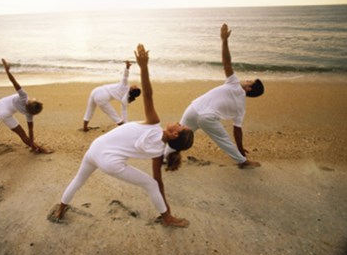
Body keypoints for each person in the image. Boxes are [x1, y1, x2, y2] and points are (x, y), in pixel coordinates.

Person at [50, 44, 194, 227]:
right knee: (151, 184)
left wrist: (143, 67)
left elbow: (148, 95)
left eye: (180, 126)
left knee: (78, 180)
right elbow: (158, 182)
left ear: (174, 134)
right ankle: (167, 218)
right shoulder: (158, 152)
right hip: (106, 158)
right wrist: (167, 207)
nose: (178, 122)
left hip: (95, 148)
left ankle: (61, 209)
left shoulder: (154, 124)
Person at [166, 24, 264, 169]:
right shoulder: (241, 107)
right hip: (204, 115)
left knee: (179, 136)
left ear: (249, 88)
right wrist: (240, 147)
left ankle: (164, 157)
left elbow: (226, 63)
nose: (246, 80)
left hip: (194, 108)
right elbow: (237, 130)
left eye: (250, 81)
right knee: (223, 140)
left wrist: (224, 41)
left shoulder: (234, 83)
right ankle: (242, 161)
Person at [0, 59, 52, 154]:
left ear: (30, 102)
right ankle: (40, 149)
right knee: (22, 135)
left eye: (35, 99)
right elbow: (30, 131)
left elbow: (14, 82)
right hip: (4, 113)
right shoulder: (29, 114)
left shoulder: (24, 96)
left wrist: (7, 71)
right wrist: (32, 144)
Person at [83, 60, 141, 131]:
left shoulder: (125, 86)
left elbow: (125, 77)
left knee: (90, 110)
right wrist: (126, 122)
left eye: (136, 87)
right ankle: (125, 128)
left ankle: (85, 127)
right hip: (100, 94)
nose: (135, 85)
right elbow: (124, 112)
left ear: (132, 90)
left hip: (97, 91)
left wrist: (127, 68)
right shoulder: (125, 99)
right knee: (114, 115)